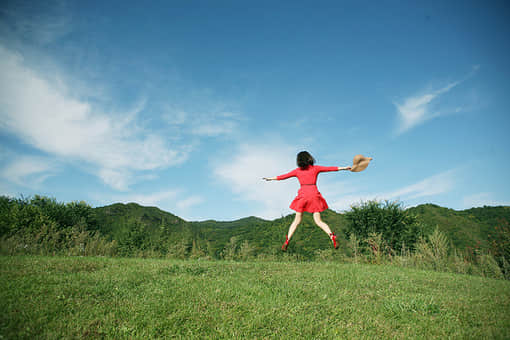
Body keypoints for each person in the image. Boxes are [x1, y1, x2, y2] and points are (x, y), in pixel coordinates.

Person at [263, 151, 351, 251]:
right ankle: (332, 237)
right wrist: (344, 168)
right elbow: (330, 168)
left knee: (296, 221)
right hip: (314, 194)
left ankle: (287, 241)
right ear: (309, 158)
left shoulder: (297, 171)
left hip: (303, 195)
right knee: (318, 221)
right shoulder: (316, 168)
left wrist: (270, 179)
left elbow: (283, 176)